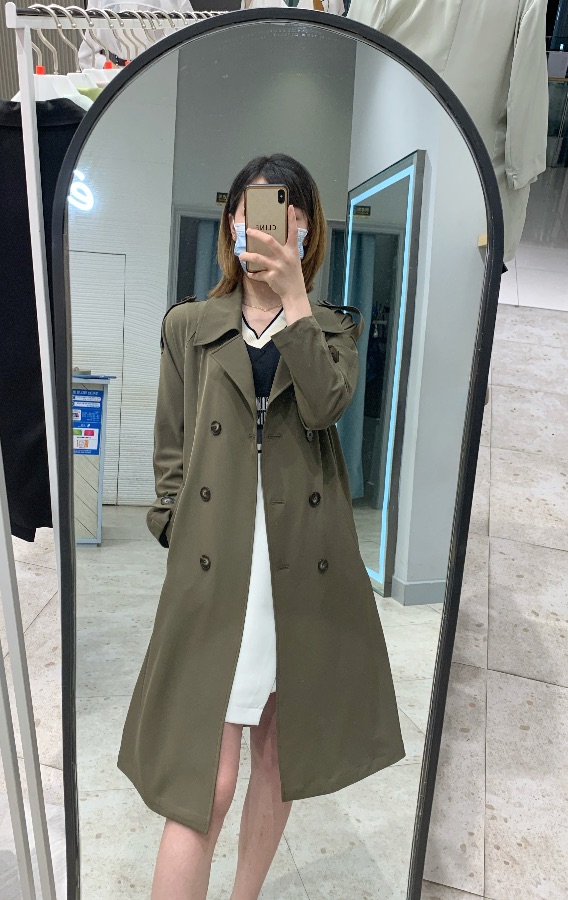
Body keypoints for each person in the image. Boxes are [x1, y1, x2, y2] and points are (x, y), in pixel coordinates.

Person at [117, 153, 405, 899]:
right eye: (253, 210)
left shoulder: (332, 329)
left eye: (288, 212)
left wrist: (295, 299)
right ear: (232, 223)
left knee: (278, 757)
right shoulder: (189, 325)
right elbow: (171, 445)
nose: (268, 225)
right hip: (218, 564)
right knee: (204, 779)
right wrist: (174, 525)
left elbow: (325, 406)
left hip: (300, 566)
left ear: (307, 230)